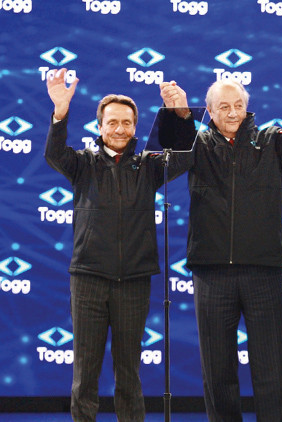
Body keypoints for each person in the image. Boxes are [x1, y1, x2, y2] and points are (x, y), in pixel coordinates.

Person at [157, 61, 282, 422]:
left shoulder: (272, 140)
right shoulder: (196, 144)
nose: (232, 113)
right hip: (211, 271)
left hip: (263, 270)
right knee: (218, 370)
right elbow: (167, 165)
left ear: (247, 107)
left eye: (238, 105)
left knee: (271, 368)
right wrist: (179, 116)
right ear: (209, 111)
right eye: (223, 107)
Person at [45, 68, 186, 421]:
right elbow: (54, 154)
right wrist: (60, 112)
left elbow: (186, 157)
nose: (119, 129)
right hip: (88, 281)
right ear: (100, 127)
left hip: (134, 282)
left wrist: (180, 114)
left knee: (129, 375)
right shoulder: (82, 163)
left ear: (135, 127)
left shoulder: (149, 166)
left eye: (126, 123)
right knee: (85, 374)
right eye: (112, 123)